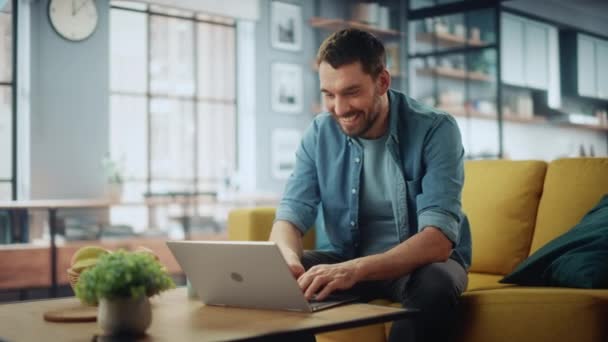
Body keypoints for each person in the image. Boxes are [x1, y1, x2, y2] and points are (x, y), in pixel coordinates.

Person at [269, 28, 471, 342]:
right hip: (346, 257)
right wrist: (288, 261)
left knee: (436, 287)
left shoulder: (435, 129)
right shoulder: (319, 133)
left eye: (351, 92)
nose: (339, 108)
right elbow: (290, 217)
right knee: (271, 284)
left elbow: (438, 241)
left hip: (422, 265)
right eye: (329, 94)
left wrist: (354, 270)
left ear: (383, 82)